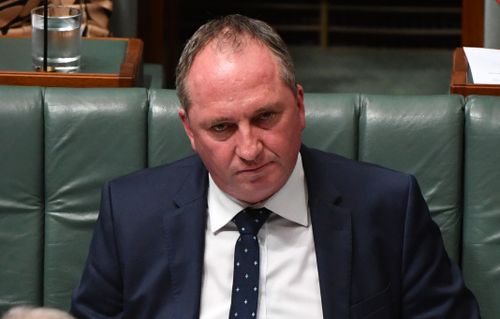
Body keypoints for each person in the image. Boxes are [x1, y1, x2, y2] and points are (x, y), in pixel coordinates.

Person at [71, 14, 480, 318]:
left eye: (266, 117)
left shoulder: (390, 208)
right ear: (189, 131)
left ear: (300, 107)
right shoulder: (129, 214)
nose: (249, 149)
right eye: (222, 127)